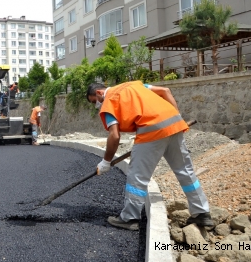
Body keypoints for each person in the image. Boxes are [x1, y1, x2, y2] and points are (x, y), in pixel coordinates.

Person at [87, 81, 212, 231]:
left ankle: (129, 218)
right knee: (185, 170)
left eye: (95, 101)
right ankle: (202, 213)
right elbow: (165, 90)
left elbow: (114, 135)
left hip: (151, 129)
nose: (97, 105)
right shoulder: (133, 85)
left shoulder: (109, 102)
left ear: (100, 93)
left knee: (137, 175)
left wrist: (106, 162)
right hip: (174, 124)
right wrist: (177, 118)